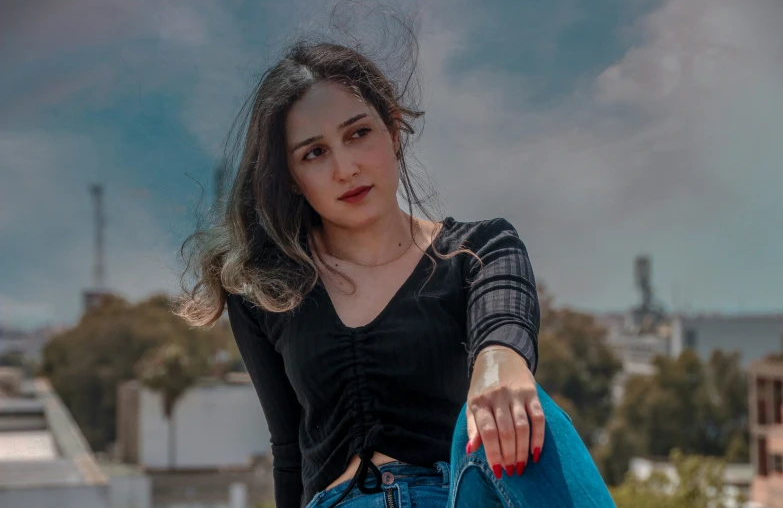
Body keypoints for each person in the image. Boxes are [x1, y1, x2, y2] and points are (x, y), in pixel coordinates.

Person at [176, 29, 615, 508]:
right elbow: (289, 449)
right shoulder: (265, 292)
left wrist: (498, 363)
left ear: (394, 131)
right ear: (293, 178)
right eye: (315, 153)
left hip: (457, 495)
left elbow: (504, 321)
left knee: (525, 409)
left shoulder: (479, 249)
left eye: (358, 133)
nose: (346, 168)